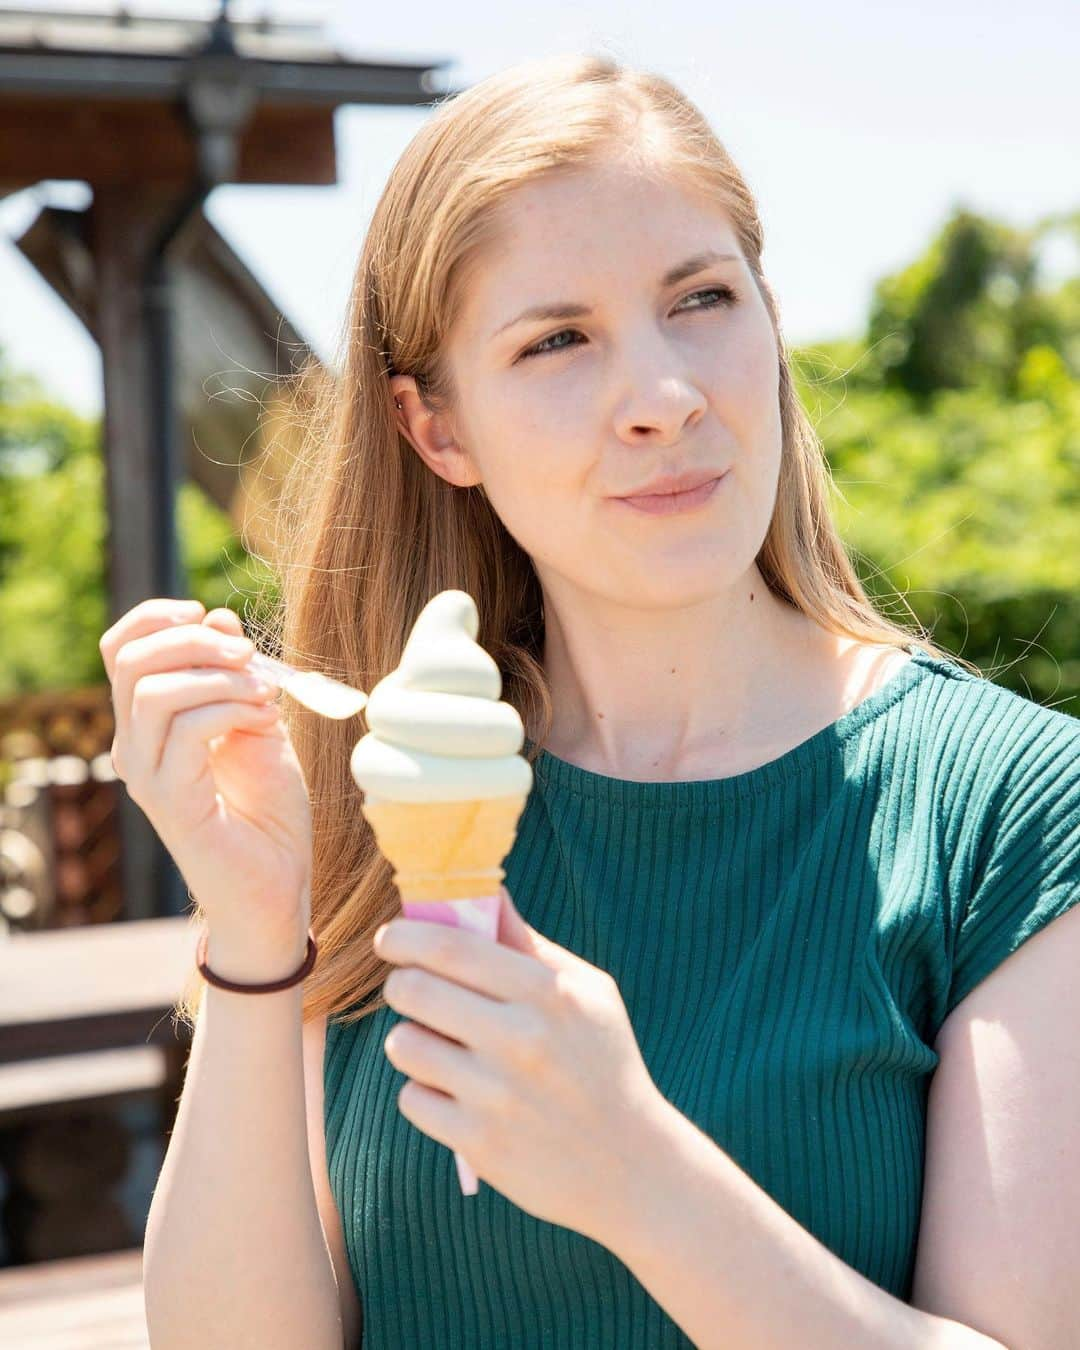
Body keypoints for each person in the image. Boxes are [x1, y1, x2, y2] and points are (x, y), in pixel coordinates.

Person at [103, 52, 1079, 1350]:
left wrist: (631, 1168)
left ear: (770, 318)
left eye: (702, 299)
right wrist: (253, 921)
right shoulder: (384, 793)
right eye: (558, 338)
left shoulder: (1007, 804)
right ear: (435, 427)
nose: (665, 398)